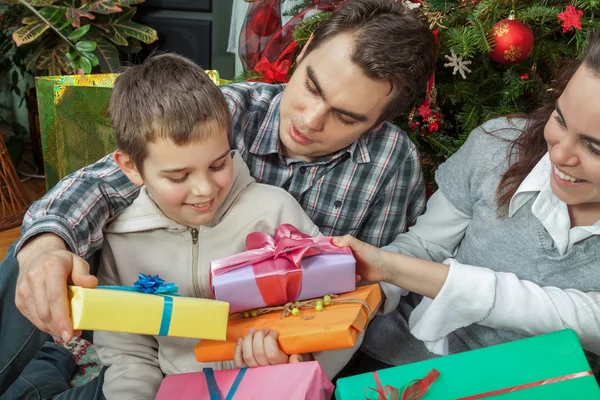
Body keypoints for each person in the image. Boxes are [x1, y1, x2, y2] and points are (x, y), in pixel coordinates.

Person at [0, 0, 437, 393]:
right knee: (30, 259)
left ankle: (51, 366)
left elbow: (369, 287)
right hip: (159, 341)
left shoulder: (389, 164)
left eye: (345, 116)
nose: (310, 119)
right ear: (301, 55)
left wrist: (303, 357)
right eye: (312, 87)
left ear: (377, 122)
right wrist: (43, 248)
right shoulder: (225, 111)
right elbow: (99, 183)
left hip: (279, 360)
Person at [334, 29, 600, 374]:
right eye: (560, 119)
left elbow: (571, 316)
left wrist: (388, 266)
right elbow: (426, 245)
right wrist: (371, 288)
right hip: (409, 353)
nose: (559, 154)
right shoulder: (497, 147)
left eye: (594, 147)